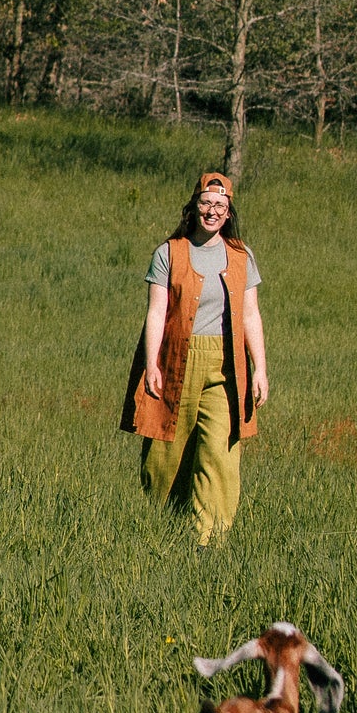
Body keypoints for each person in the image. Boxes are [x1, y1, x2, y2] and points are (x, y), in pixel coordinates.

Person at [122, 169, 268, 543]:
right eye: (206, 202)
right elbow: (156, 311)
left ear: (229, 212)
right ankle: (161, 527)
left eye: (221, 205)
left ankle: (208, 541)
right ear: (194, 206)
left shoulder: (241, 256)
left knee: (220, 451)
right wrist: (151, 363)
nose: (213, 211)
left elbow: (251, 314)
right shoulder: (169, 252)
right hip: (176, 361)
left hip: (226, 366)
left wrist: (260, 369)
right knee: (166, 451)